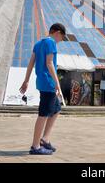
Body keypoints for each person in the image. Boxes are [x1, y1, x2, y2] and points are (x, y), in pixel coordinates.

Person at [20, 23, 66, 155]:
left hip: (41, 82)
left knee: (56, 109)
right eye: (61, 38)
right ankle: (35, 146)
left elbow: (30, 63)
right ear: (57, 33)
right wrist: (57, 83)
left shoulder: (38, 43)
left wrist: (26, 80)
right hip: (48, 83)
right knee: (43, 114)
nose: (61, 41)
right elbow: (49, 63)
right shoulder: (51, 43)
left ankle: (44, 139)